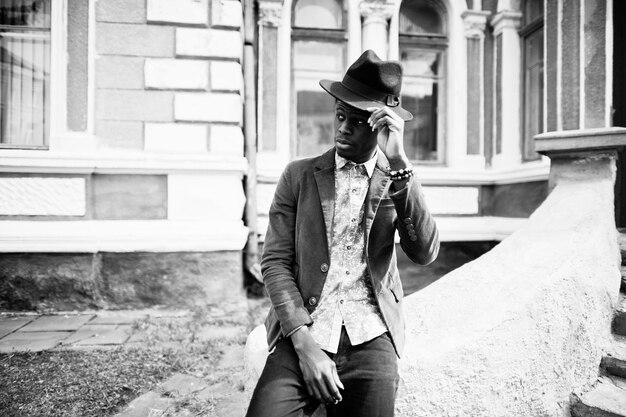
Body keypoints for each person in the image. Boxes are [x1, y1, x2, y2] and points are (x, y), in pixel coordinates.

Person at [246, 49, 440, 417]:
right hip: (304, 327)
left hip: (371, 335)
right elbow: (273, 262)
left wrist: (399, 164)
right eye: (340, 116)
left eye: (357, 121)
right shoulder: (298, 176)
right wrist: (303, 343)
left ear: (382, 125)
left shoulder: (394, 178)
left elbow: (425, 253)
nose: (343, 129)